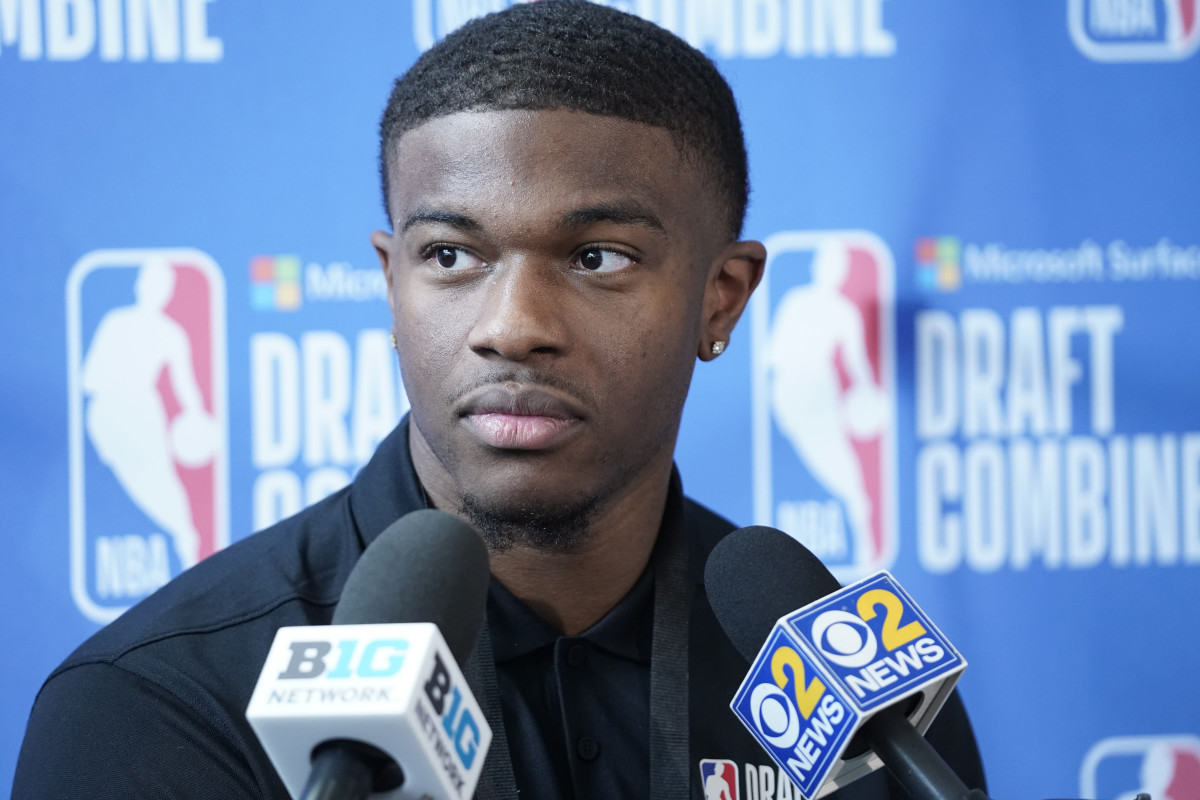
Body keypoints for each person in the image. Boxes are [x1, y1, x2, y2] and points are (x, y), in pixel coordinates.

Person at [13, 3, 987, 799]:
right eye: (451, 256)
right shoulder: (159, 705)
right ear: (393, 286)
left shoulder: (867, 711)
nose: (513, 324)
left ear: (719, 297)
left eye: (597, 256)